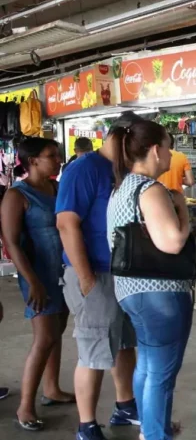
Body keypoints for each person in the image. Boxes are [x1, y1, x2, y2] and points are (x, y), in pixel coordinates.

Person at [107, 119, 193, 440]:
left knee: (148, 364)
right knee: (161, 373)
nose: (172, 154)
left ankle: (150, 429)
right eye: (169, 147)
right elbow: (173, 242)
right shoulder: (150, 190)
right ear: (156, 150)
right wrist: (182, 210)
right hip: (160, 295)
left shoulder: (121, 188)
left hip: (131, 292)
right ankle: (156, 434)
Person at [56, 124, 138, 440]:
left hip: (121, 273)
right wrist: (86, 278)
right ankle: (86, 425)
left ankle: (125, 406)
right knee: (94, 350)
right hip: (94, 274)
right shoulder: (84, 169)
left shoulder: (123, 169)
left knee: (124, 342)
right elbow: (66, 224)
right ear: (119, 139)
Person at [0, 138, 73, 431]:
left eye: (57, 154)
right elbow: (12, 243)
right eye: (51, 155)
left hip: (63, 271)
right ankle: (25, 406)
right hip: (37, 274)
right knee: (44, 337)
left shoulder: (57, 188)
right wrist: (33, 282)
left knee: (57, 331)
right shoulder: (17, 195)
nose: (58, 159)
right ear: (32, 161)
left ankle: (52, 389)